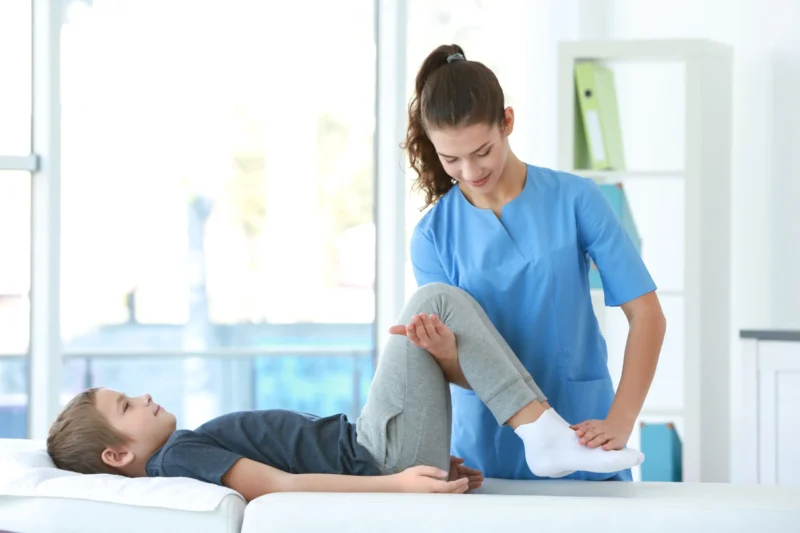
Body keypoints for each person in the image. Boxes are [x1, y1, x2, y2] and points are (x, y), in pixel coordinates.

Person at [47, 283, 644, 502]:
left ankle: (541, 431)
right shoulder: (177, 458)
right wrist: (397, 482)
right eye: (127, 407)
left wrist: (427, 457)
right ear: (117, 455)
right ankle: (542, 434)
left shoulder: (181, 452)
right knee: (432, 303)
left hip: (376, 452)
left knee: (436, 307)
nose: (144, 397)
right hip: (374, 459)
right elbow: (279, 486)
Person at [402, 44, 666, 482]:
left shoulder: (576, 199)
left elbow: (647, 315)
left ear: (507, 122)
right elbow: (461, 367)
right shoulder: (431, 237)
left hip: (586, 433)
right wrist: (444, 354)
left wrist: (621, 420)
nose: (470, 171)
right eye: (451, 159)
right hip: (486, 447)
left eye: (482, 151)